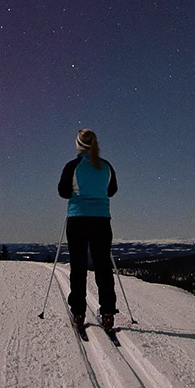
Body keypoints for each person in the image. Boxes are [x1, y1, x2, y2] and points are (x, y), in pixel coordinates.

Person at [58, 128, 118, 330]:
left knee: (78, 265)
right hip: (101, 219)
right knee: (103, 265)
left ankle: (78, 312)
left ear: (78, 144)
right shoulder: (106, 166)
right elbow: (112, 190)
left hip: (78, 218)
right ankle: (108, 312)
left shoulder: (73, 166)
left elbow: (63, 192)